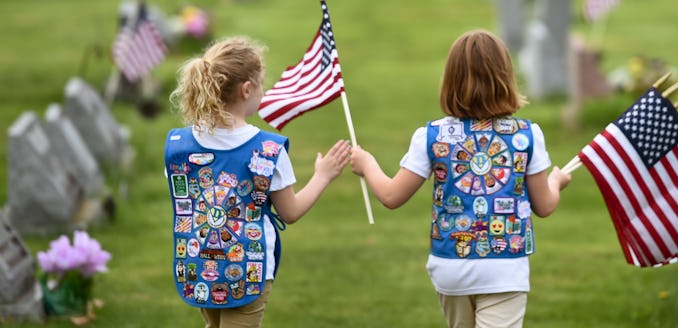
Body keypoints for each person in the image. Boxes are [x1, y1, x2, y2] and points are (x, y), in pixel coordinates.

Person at [350, 29, 571, 328]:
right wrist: (556, 182)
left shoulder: (431, 135)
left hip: (450, 267)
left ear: (451, 81)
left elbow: (391, 196)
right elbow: (544, 205)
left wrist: (367, 164)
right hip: (504, 270)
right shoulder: (527, 134)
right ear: (505, 77)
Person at [165, 36, 350, 328]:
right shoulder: (266, 149)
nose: (263, 90)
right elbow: (290, 211)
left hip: (199, 267)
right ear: (247, 89)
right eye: (261, 83)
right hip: (247, 270)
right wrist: (322, 175)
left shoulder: (180, 146)